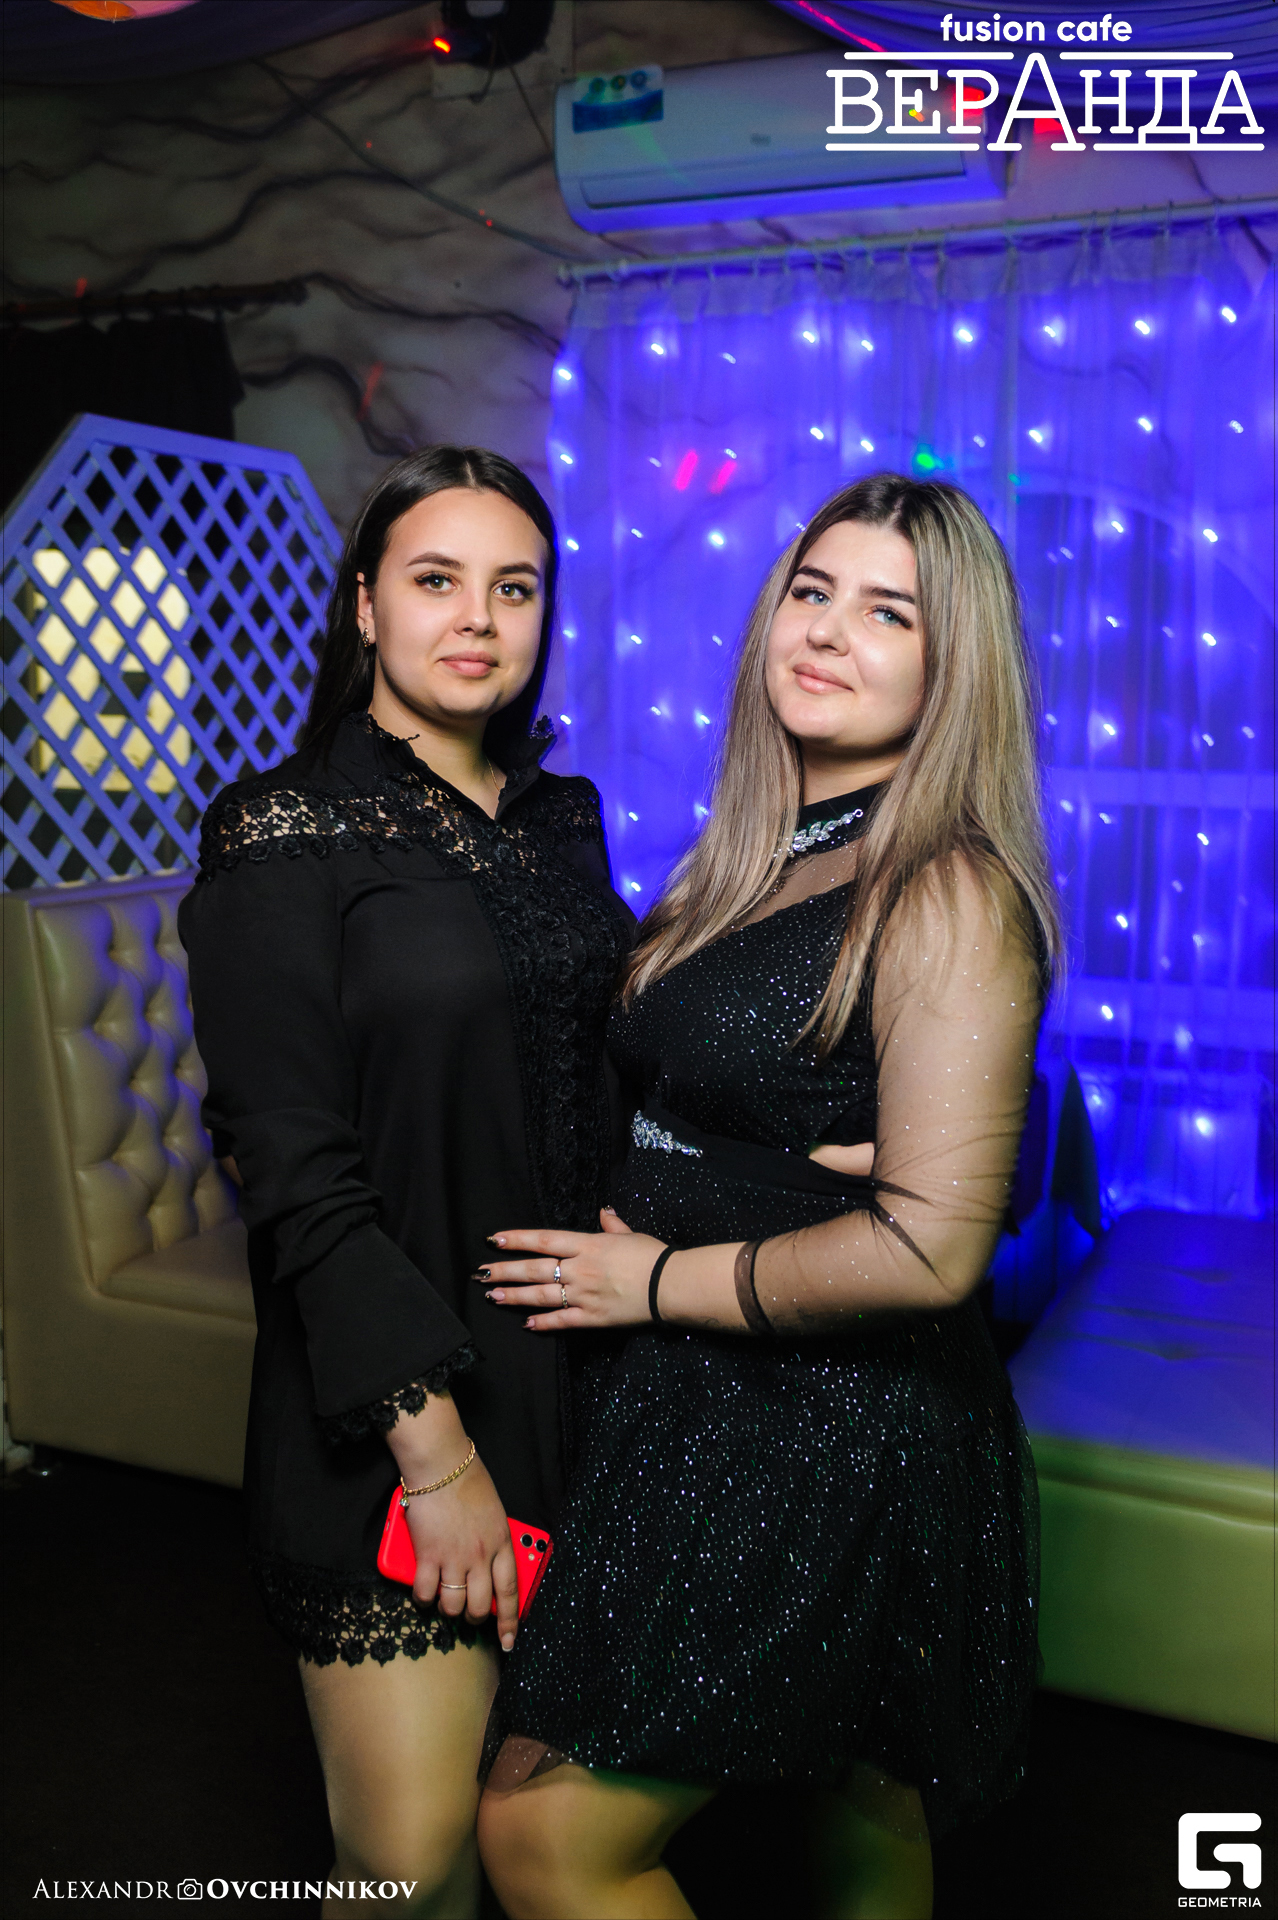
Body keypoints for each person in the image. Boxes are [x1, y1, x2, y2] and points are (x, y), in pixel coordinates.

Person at [473, 474, 1061, 1920]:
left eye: (888, 612)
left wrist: (653, 1279)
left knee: (548, 1841)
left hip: (831, 1424)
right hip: (711, 1397)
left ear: (953, 667)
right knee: (863, 1805)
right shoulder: (764, 847)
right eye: (811, 591)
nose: (828, 631)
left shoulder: (944, 887)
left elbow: (931, 1249)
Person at [179, 446, 632, 1919]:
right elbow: (295, 1176)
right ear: (366, 606)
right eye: (437, 580)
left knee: (544, 1836)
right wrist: (435, 1461)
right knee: (411, 1857)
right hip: (394, 1410)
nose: (479, 619)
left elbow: (603, 1079)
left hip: (584, 1388)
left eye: (516, 586)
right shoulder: (278, 834)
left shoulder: (561, 817)